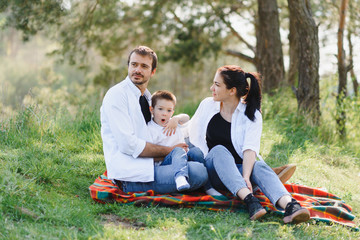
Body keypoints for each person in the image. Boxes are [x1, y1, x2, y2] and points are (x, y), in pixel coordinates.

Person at [187, 65, 310, 224]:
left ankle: (291, 206)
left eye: (217, 85)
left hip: (239, 172)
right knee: (219, 150)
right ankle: (250, 200)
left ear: (231, 90)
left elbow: (250, 150)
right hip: (213, 170)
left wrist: (246, 176)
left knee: (258, 166)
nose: (212, 88)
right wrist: (175, 120)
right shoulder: (208, 105)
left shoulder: (251, 114)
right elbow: (190, 130)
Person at [100, 46, 208, 194]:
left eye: (144, 66)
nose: (137, 70)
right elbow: (128, 145)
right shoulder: (117, 95)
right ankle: (202, 182)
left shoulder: (147, 97)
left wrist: (177, 121)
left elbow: (160, 128)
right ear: (128, 66)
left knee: (196, 153)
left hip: (154, 164)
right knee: (198, 171)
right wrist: (171, 151)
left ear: (153, 71)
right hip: (131, 175)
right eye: (134, 64)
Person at [147, 90, 205, 191]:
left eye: (169, 111)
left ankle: (206, 185)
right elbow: (150, 154)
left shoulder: (173, 122)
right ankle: (180, 177)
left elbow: (186, 118)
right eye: (160, 109)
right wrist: (173, 150)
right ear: (152, 109)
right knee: (178, 150)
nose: (164, 114)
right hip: (166, 162)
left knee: (197, 152)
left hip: (184, 156)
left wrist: (176, 118)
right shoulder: (150, 129)